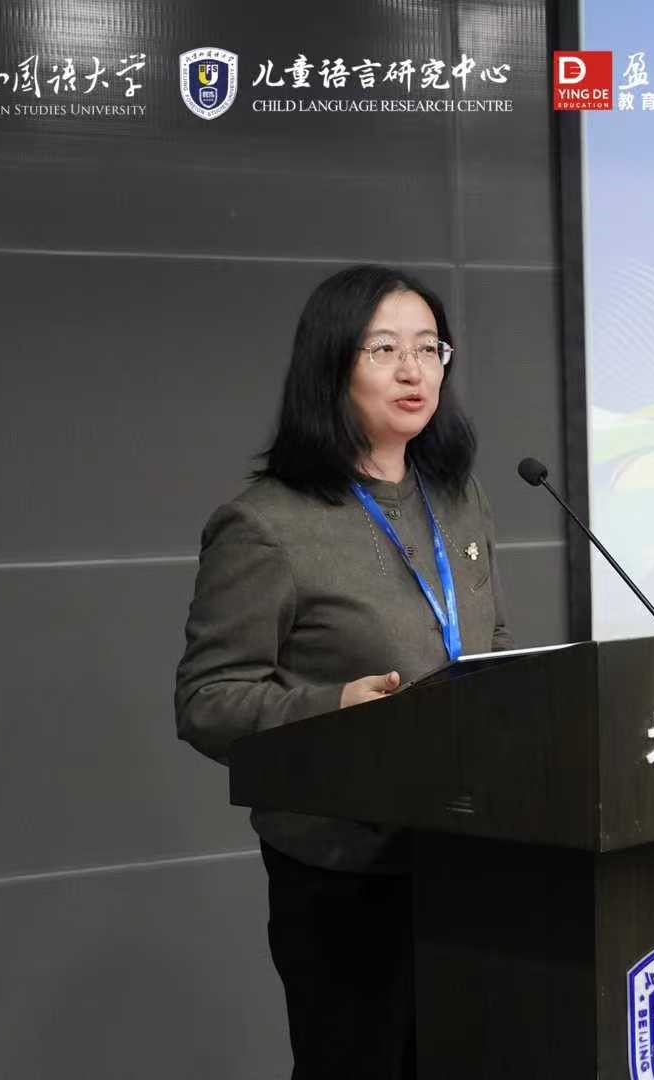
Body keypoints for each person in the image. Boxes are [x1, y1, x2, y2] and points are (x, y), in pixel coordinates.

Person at [173, 264, 511, 1078]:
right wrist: (333, 708)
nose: (413, 371)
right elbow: (207, 700)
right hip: (344, 872)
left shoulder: (456, 497)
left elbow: (489, 642)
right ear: (332, 366)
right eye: (385, 350)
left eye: (429, 349)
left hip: (473, 855)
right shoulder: (266, 524)